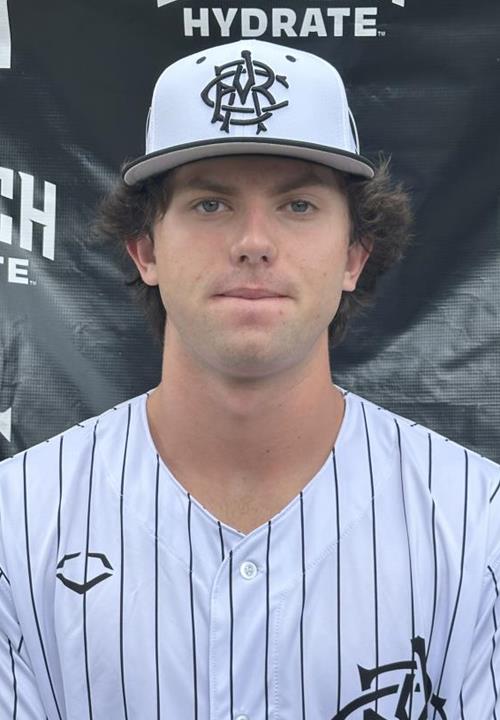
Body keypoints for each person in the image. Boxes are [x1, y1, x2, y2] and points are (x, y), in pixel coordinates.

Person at [0, 38, 498, 720]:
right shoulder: (16, 520)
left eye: (298, 206)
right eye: (211, 205)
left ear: (354, 256)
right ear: (145, 249)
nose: (254, 242)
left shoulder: (478, 523)